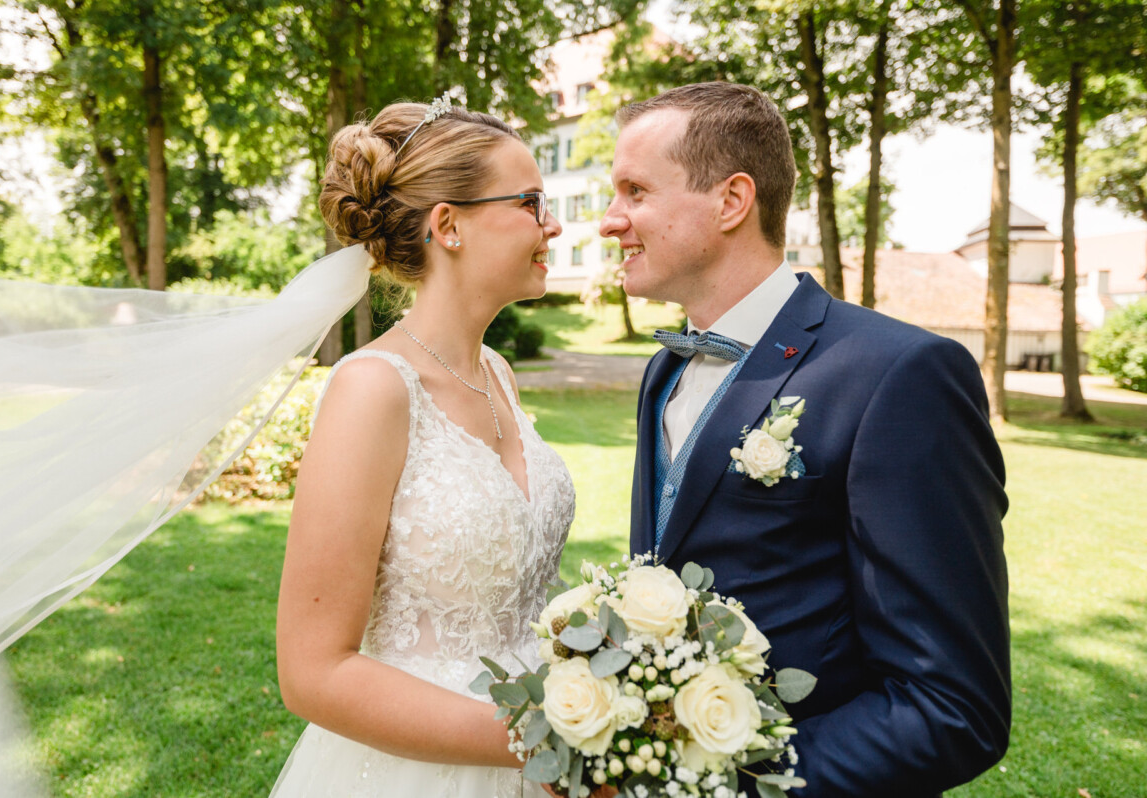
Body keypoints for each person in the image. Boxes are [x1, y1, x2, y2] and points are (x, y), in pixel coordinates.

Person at [600, 82, 1011, 797]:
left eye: (635, 191)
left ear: (731, 201)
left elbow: (953, 706)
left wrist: (719, 784)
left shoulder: (899, 374)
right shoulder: (663, 370)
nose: (610, 222)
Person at [268, 100, 573, 797]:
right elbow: (313, 673)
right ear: (449, 225)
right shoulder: (373, 389)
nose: (551, 224)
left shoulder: (498, 373)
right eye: (530, 202)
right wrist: (544, 738)